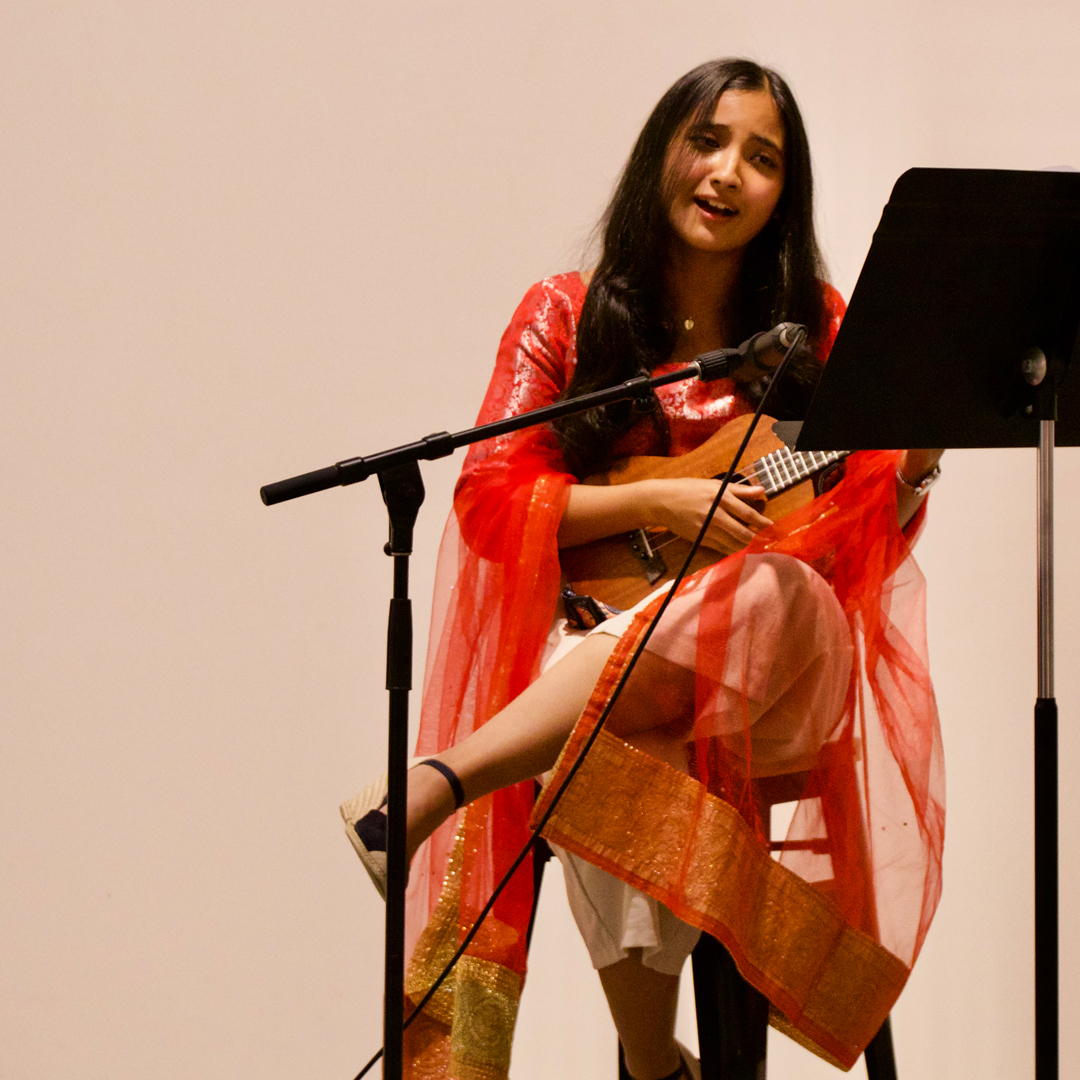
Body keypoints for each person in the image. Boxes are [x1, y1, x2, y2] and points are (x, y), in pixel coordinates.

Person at [341, 58, 944, 1080]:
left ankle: (451, 776)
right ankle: (655, 1064)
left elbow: (862, 523)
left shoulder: (820, 328)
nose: (727, 173)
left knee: (773, 587)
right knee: (646, 736)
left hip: (782, 670)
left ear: (784, 195)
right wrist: (657, 504)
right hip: (624, 666)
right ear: (661, 152)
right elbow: (490, 499)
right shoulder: (567, 314)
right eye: (707, 140)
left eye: (761, 158)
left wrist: (914, 466)